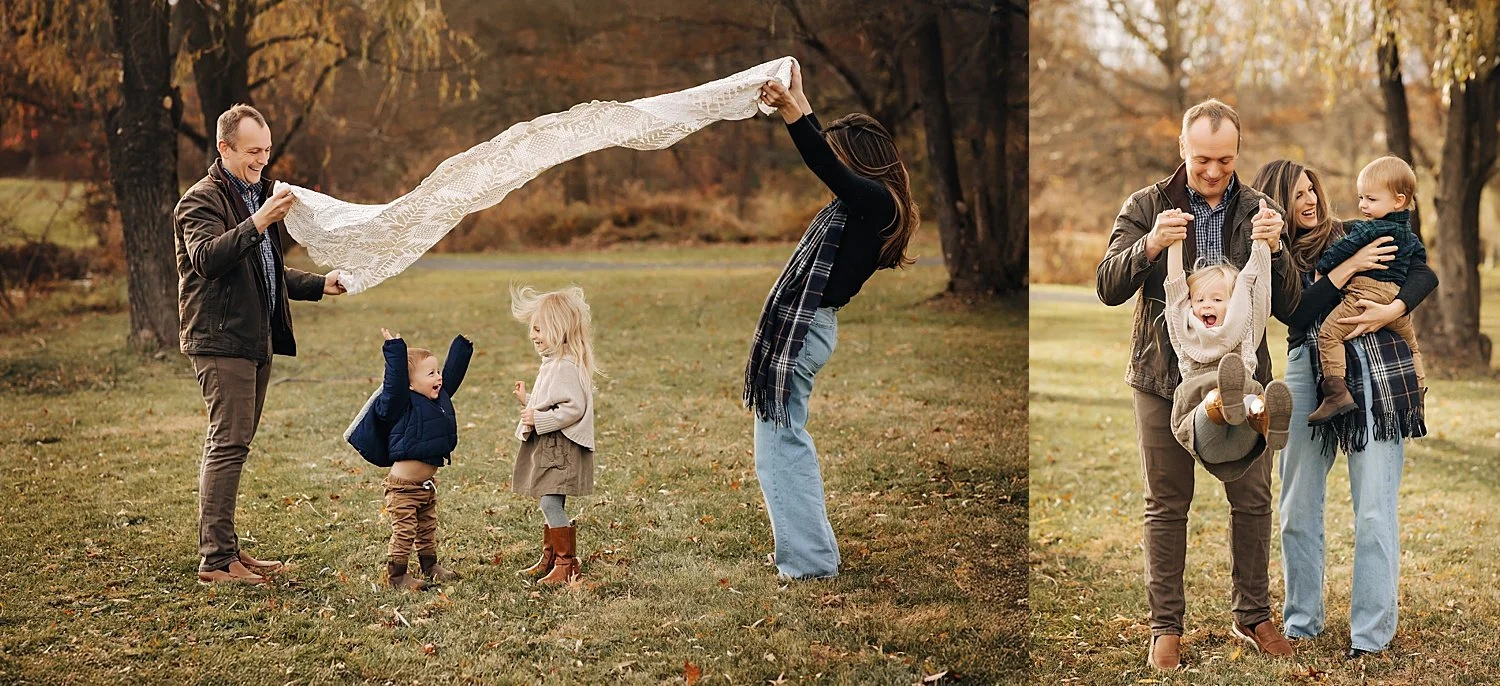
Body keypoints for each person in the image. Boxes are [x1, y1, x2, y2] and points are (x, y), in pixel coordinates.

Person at [1096, 98, 1298, 670]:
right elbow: (1107, 284)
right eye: (1203, 159)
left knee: (1253, 500)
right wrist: (1150, 246)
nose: (1213, 171)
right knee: (1166, 503)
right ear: (1182, 150)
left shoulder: (1260, 208)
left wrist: (1277, 247)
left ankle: (1253, 615)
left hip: (1242, 379)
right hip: (1162, 379)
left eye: (1226, 161)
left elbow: (1290, 304)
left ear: (1238, 155)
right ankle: (1166, 628)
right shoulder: (1147, 205)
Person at [1252, 159, 1434, 659]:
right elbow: (1297, 311)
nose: (1309, 201)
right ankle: (1301, 622)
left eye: (1312, 190)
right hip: (1305, 372)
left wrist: (1395, 310)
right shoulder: (1270, 255)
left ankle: (1370, 636)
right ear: (1275, 203)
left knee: (1374, 508)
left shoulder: (1357, 229)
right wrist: (1348, 269)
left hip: (1374, 366)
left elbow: (1422, 271)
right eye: (1296, 195)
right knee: (1296, 506)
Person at [749, 62, 918, 580]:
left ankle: (809, 563)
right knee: (781, 442)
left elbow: (825, 164)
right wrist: (802, 101)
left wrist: (793, 113)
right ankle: (810, 553)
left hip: (806, 333)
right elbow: (832, 159)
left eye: (843, 162)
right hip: (811, 329)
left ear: (859, 163)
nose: (835, 176)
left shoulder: (874, 202)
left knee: (780, 448)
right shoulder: (871, 203)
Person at [173, 103, 347, 585]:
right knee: (226, 444)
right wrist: (261, 222)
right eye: (252, 152)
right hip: (221, 340)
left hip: (256, 339)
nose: (261, 162)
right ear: (223, 147)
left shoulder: (252, 198)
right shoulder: (199, 201)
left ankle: (229, 553)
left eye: (266, 152)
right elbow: (207, 258)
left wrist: (319, 285)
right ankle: (215, 561)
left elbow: (266, 271)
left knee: (237, 445)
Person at [346, 328, 472, 590]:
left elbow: (452, 377)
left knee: (426, 528)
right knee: (404, 532)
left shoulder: (435, 398)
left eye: (438, 371)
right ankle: (397, 576)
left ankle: (430, 565)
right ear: (410, 384)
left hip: (425, 486)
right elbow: (393, 385)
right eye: (431, 374)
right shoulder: (401, 403)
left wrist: (462, 346)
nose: (439, 378)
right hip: (403, 488)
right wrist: (395, 350)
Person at [1305, 156, 1428, 423]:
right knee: (1412, 345)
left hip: (1365, 294)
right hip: (1394, 296)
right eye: (1361, 197)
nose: (1363, 205)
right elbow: (1421, 261)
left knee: (1329, 333)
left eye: (1371, 199)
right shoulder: (1410, 235)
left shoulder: (1370, 230)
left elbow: (1342, 249)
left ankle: (1336, 393)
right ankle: (1418, 391)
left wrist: (1323, 268)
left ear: (1398, 200)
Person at [1161, 233, 1293, 476]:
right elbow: (1175, 287)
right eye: (1199, 299)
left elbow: (1259, 283)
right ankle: (1227, 402)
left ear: (1235, 305)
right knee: (1214, 400)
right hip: (1205, 434)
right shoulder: (1186, 333)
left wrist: (1262, 239)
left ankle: (1267, 421)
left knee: (1249, 404)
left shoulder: (1244, 331)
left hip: (1244, 437)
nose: (1205, 305)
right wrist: (1175, 240)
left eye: (1216, 299)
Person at [510, 286, 600, 586]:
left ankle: (566, 564)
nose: (533, 335)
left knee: (550, 502)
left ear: (558, 329)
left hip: (560, 447)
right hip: (552, 445)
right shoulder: (555, 361)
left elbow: (573, 408)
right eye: (532, 329)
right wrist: (530, 401)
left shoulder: (565, 365)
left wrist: (540, 417)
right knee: (548, 499)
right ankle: (551, 558)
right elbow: (555, 399)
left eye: (539, 329)